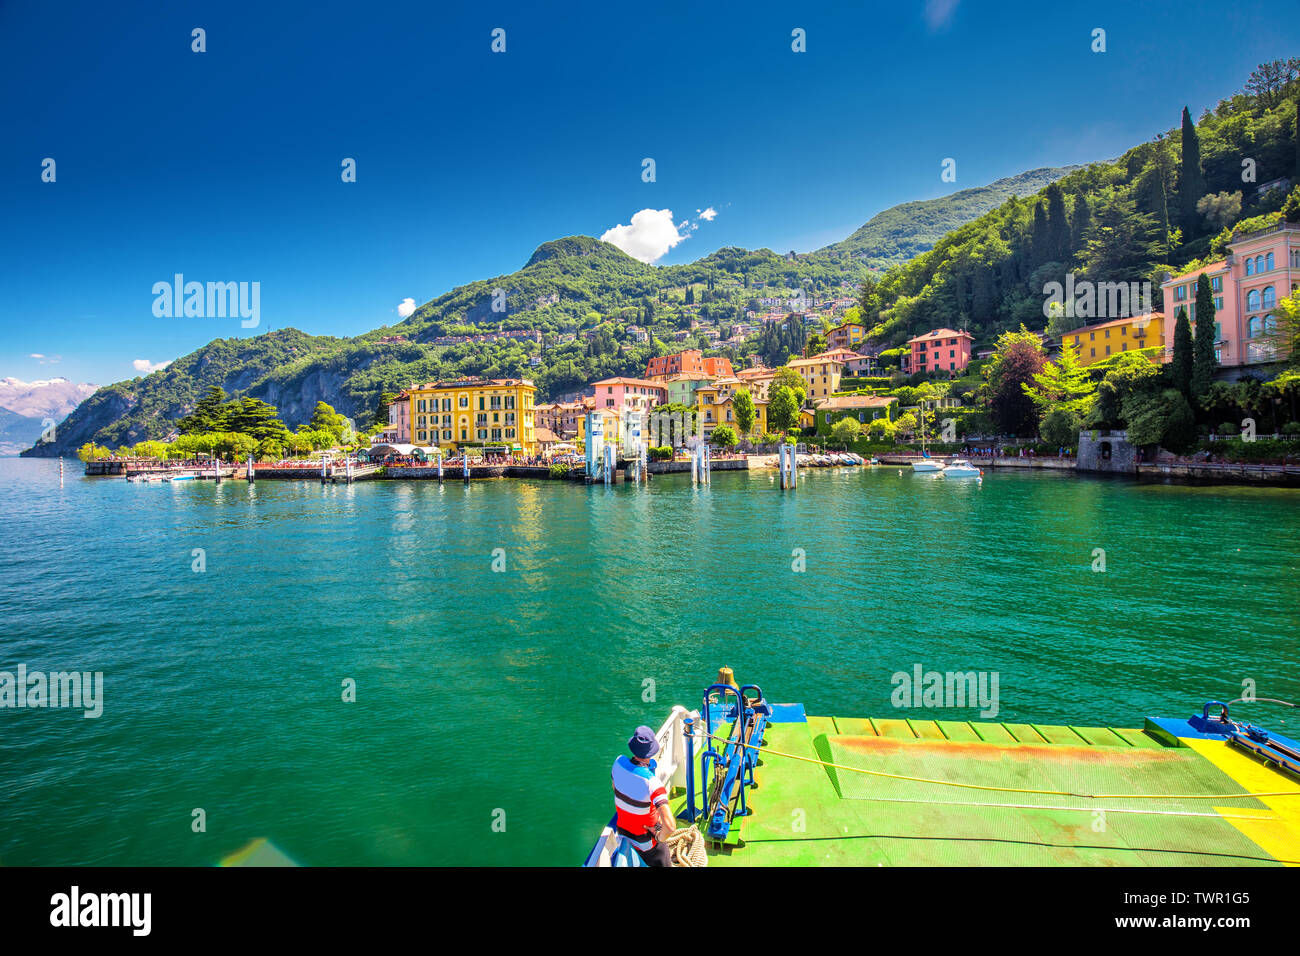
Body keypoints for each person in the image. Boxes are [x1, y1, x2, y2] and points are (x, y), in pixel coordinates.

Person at [611, 725, 676, 866]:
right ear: (651, 752)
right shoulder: (652, 783)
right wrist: (659, 837)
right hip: (647, 844)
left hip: (623, 835)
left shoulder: (618, 763)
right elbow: (670, 826)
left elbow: (615, 788)